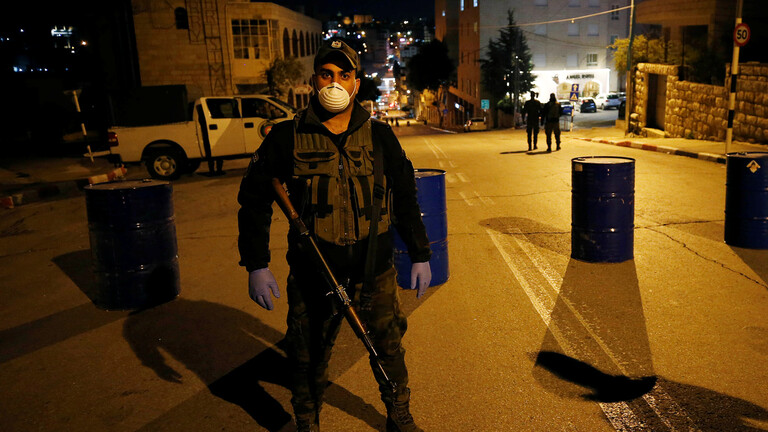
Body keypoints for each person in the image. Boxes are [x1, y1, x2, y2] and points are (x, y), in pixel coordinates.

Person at [237, 39, 432, 432]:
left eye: (344, 75)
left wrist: (420, 253)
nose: (335, 83)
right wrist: (256, 264)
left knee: (388, 348)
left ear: (356, 83)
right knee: (306, 356)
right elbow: (254, 201)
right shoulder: (287, 136)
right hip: (313, 272)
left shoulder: (380, 136)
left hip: (374, 270)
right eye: (327, 74)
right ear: (314, 80)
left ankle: (399, 414)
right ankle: (307, 422)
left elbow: (405, 198)